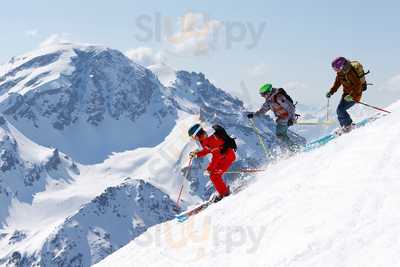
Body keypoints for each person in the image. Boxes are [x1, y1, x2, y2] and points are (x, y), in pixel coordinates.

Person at [188, 124, 236, 202]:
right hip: (224, 157)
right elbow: (208, 150)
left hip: (227, 158)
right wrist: (196, 154)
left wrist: (209, 169)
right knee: (214, 175)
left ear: (197, 134)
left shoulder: (211, 140)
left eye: (193, 137)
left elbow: (216, 157)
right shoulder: (206, 138)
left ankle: (225, 193)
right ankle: (223, 192)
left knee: (214, 176)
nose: (194, 139)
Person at [247, 83, 298, 150]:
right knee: (280, 135)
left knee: (280, 134)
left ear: (268, 92)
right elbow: (263, 110)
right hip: (281, 118)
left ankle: (294, 148)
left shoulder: (279, 97)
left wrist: (291, 119)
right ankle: (292, 148)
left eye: (263, 94)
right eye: (261, 95)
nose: (263, 96)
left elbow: (290, 107)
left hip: (287, 118)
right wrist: (254, 115)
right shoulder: (269, 100)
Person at [326, 57, 365, 132]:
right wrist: (331, 92)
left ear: (341, 66)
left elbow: (358, 85)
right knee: (339, 110)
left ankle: (349, 126)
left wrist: (351, 95)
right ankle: (344, 127)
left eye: (336, 68)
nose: (335, 70)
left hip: (355, 95)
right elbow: (337, 84)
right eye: (334, 69)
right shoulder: (340, 73)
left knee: (341, 110)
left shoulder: (350, 73)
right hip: (346, 94)